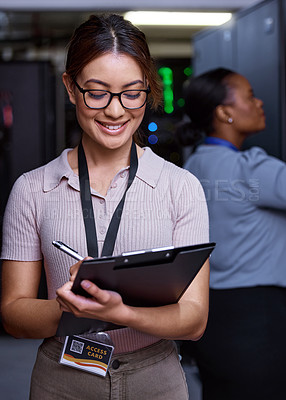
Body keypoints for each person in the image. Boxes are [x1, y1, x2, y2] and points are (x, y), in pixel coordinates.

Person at [0, 14, 210, 400]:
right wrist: (71, 309)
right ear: (70, 87)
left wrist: (116, 312)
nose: (115, 111)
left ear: (148, 88)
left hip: (155, 378)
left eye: (132, 93)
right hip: (62, 377)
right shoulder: (32, 189)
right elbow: (13, 314)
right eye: (97, 92)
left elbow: (194, 321)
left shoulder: (181, 187)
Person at [177, 67, 286, 400]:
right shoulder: (251, 169)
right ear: (224, 112)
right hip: (256, 318)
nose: (260, 102)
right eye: (250, 96)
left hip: (208, 315)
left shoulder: (192, 167)